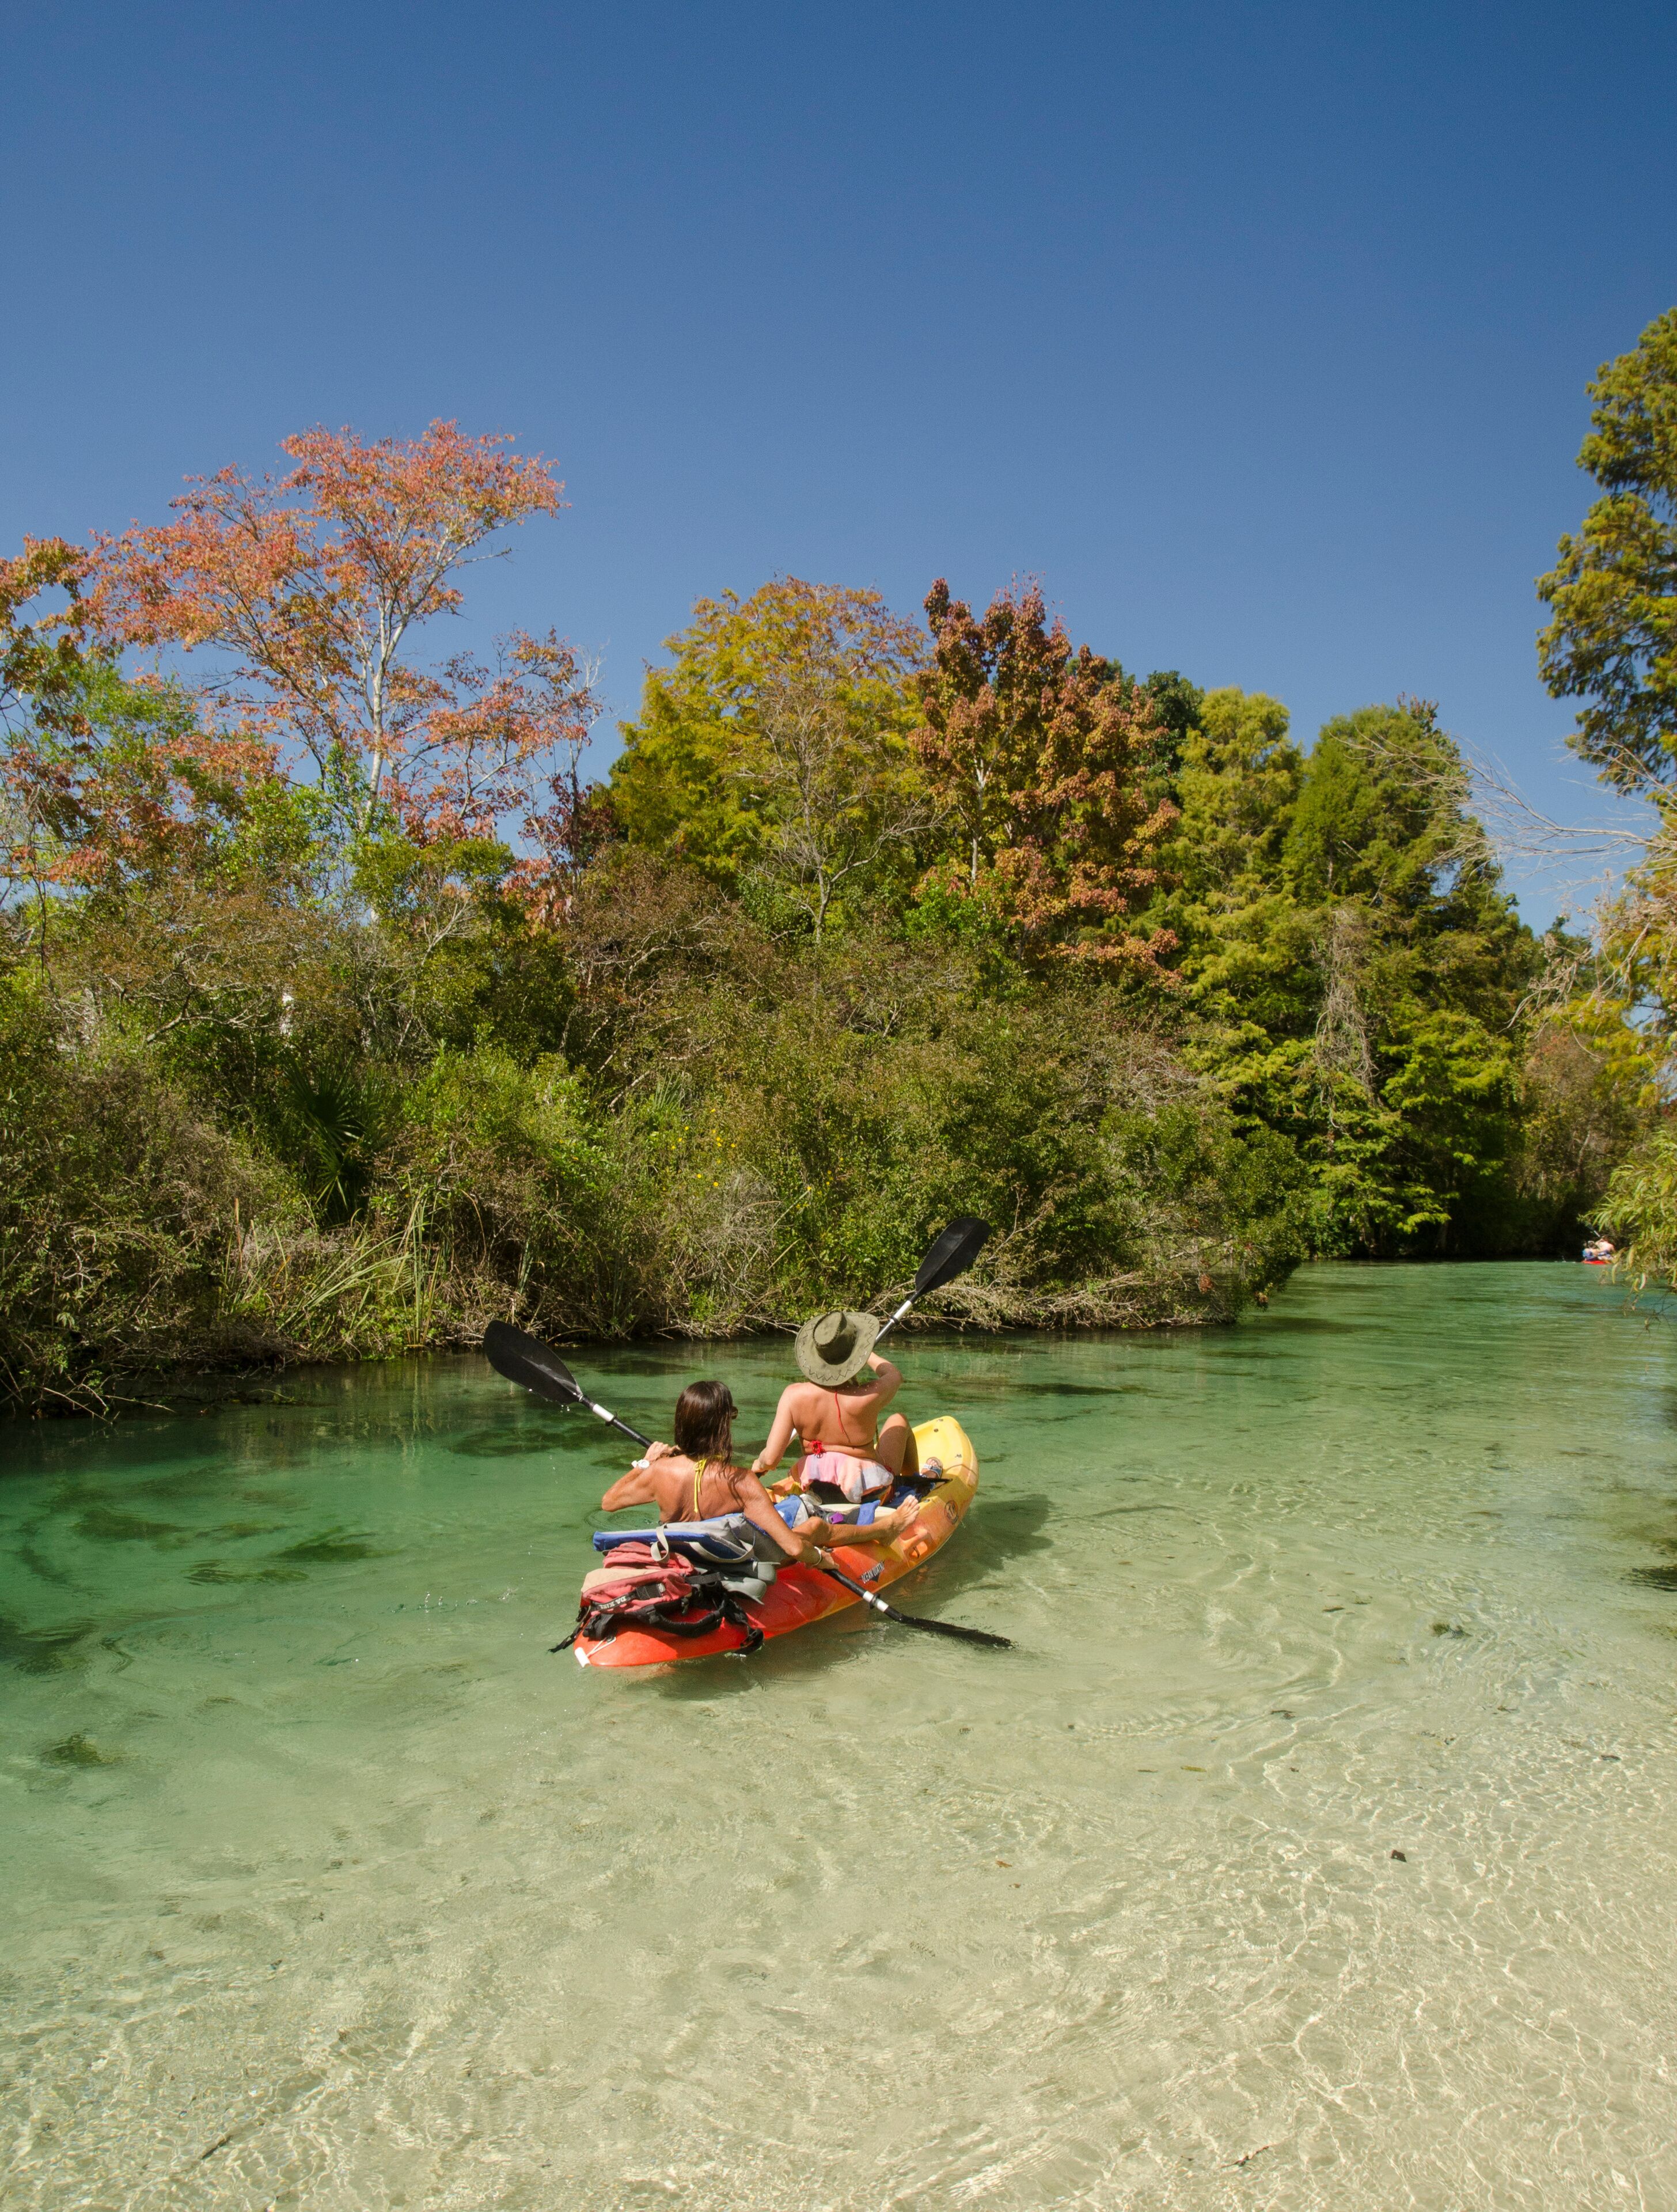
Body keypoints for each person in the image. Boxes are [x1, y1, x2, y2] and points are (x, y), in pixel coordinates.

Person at [597, 1378, 913, 1560]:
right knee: (816, 1528)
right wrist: (819, 1562)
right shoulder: (740, 1481)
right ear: (724, 1425)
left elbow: (609, 1502)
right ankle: (884, 1529)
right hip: (731, 1554)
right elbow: (791, 1546)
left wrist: (646, 1464)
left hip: (686, 1554)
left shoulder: (657, 1473)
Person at [750, 1308, 925, 1513]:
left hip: (817, 1492)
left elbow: (770, 1459)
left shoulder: (793, 1396)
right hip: (868, 1494)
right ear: (855, 1356)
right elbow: (894, 1375)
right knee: (899, 1420)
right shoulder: (865, 1396)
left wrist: (759, 1464)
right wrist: (866, 1354)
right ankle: (915, 1483)